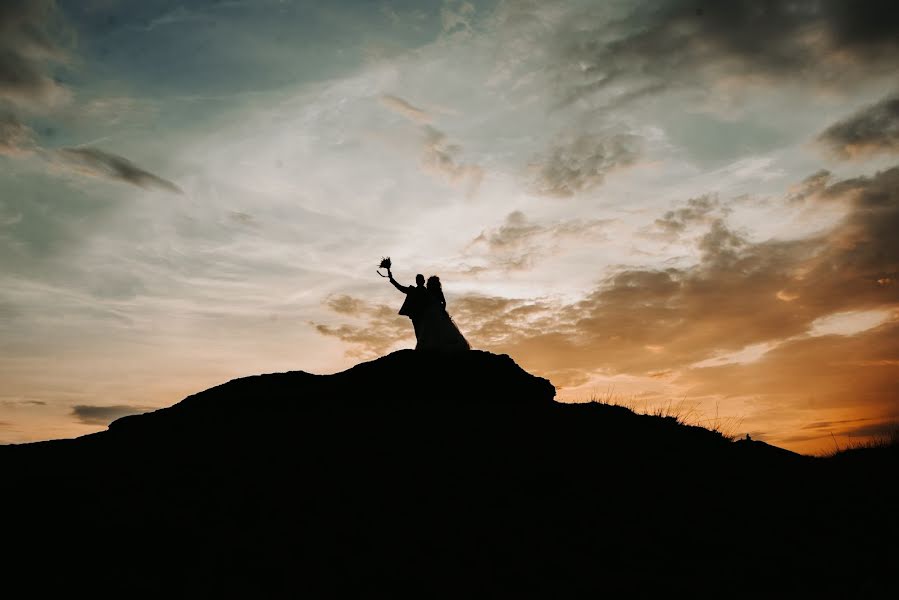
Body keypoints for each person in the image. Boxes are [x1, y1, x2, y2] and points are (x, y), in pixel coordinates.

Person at [419, 275, 470, 351]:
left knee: (438, 328)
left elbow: (443, 301)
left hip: (437, 311)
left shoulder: (435, 292)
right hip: (433, 312)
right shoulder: (430, 292)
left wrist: (442, 309)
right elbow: (443, 302)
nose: (428, 284)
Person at [387, 268, 431, 349]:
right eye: (418, 280)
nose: (420, 281)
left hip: (425, 316)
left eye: (420, 280)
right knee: (419, 332)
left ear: (423, 281)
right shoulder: (413, 290)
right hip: (416, 316)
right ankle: (421, 347)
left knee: (424, 332)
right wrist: (391, 279)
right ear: (417, 281)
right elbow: (400, 287)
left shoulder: (427, 292)